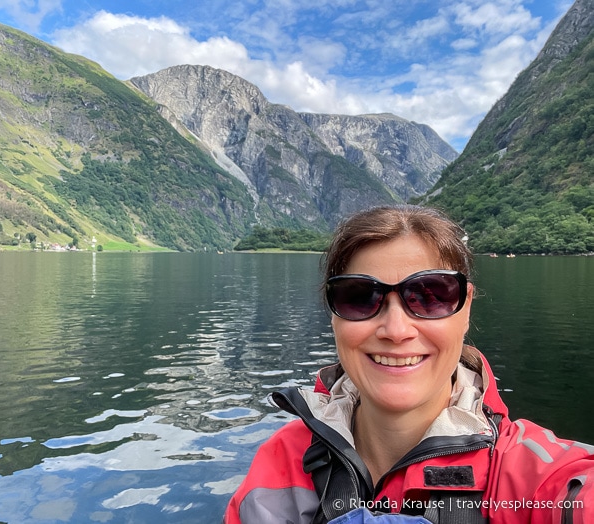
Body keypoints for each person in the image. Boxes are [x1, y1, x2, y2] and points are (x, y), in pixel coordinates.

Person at [224, 205, 594, 524]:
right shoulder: (285, 458)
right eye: (359, 297)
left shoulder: (540, 477)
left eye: (430, 296)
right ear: (333, 314)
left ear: (465, 308)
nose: (396, 330)